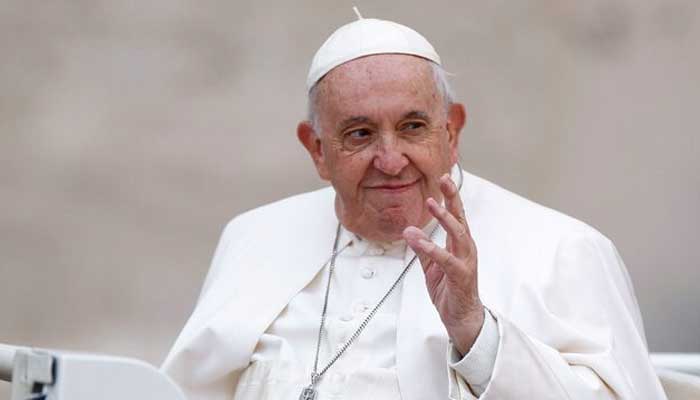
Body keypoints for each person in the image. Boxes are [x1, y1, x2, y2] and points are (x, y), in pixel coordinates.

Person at [162, 13, 667, 400]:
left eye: (412, 127)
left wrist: (476, 332)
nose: (390, 159)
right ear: (317, 149)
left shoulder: (565, 248)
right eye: (359, 134)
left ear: (453, 131)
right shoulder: (254, 238)